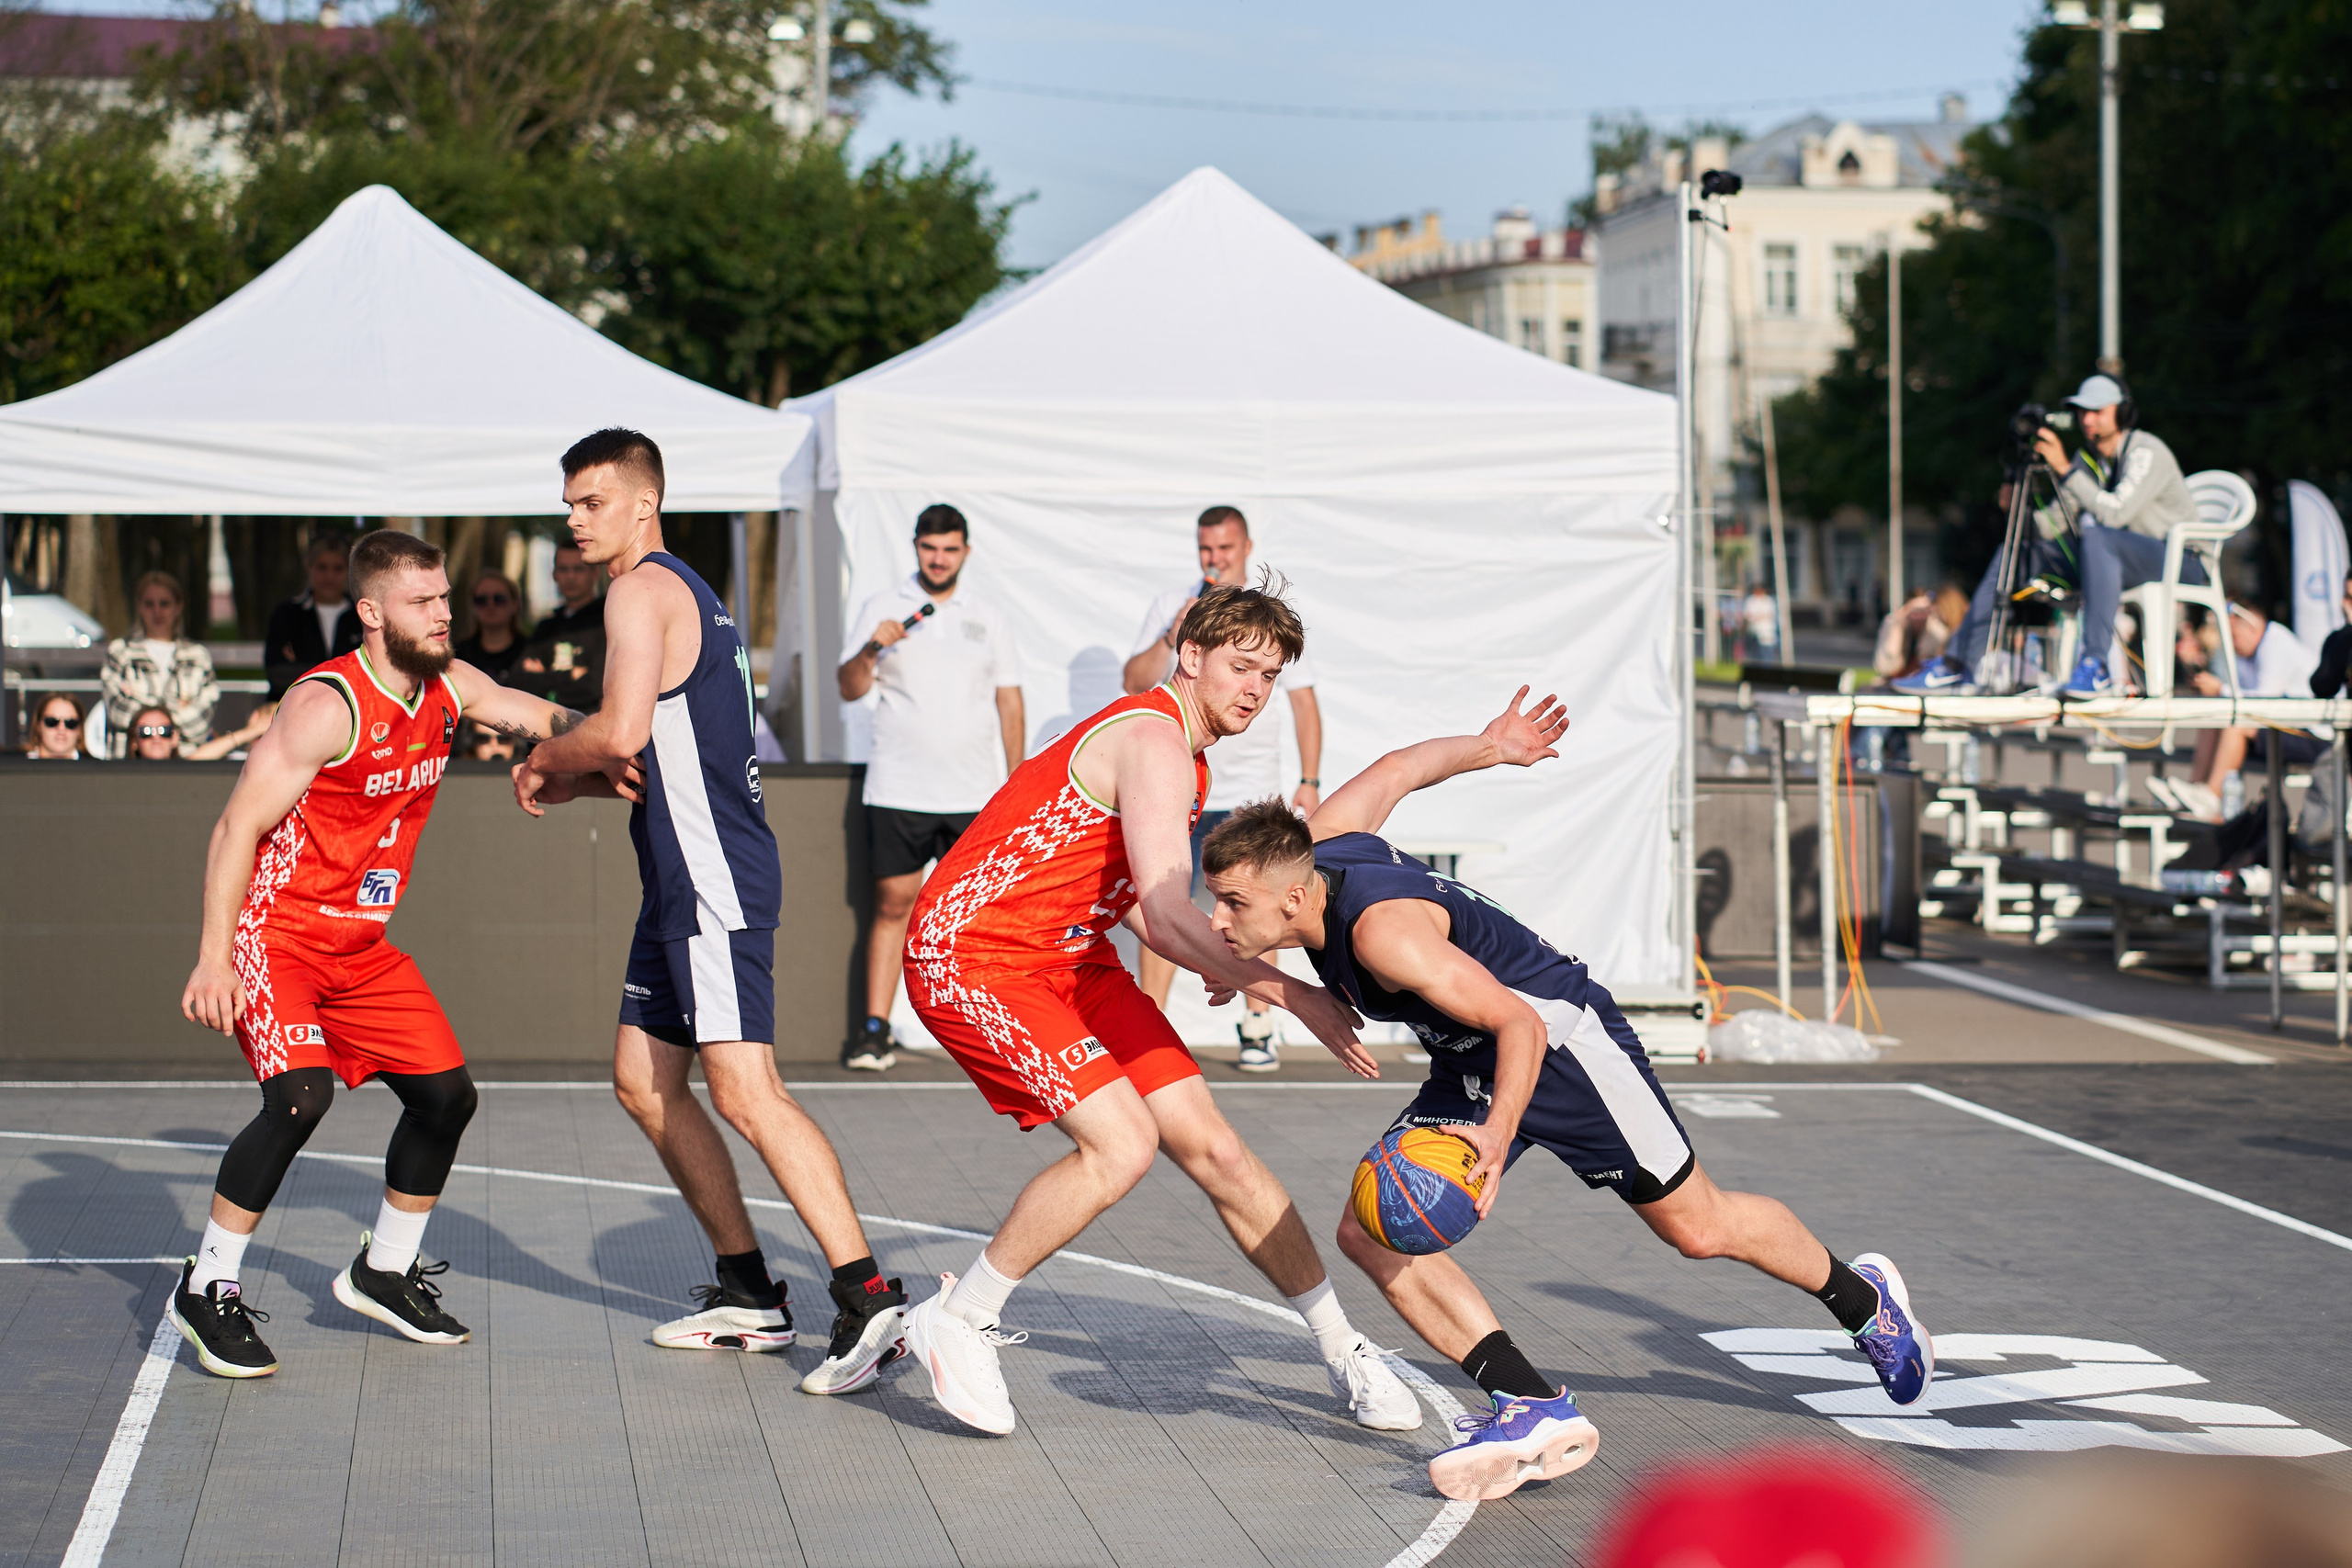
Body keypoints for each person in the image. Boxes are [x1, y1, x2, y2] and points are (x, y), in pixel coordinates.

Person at [1195, 688, 1933, 1501]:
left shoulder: (1384, 934)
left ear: (1296, 897)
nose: (1218, 916)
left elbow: (1521, 1025)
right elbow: (1400, 768)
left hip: (1564, 1046)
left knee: (1699, 1227)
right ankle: (1530, 1401)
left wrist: (1495, 1140)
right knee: (1371, 1228)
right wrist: (1491, 744)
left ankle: (1866, 1302)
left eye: (1233, 902)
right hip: (1473, 1053)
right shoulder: (1320, 841)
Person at [898, 579, 1418, 1438]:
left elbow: (1141, 897)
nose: (1254, 687)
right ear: (1190, 656)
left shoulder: (1184, 748)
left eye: (1270, 674)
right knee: (1124, 1143)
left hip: (1068, 957)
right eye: (1241, 666)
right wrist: (1289, 992)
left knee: (1217, 1149)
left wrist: (1222, 952)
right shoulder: (1154, 738)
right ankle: (961, 1316)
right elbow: (1171, 918)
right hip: (973, 953)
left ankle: (1343, 1349)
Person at [514, 429, 911, 1396]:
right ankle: (746, 1290)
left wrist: (545, 759)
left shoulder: (639, 591)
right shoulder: (686, 590)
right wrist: (590, 787)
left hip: (712, 877)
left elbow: (617, 731)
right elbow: (668, 756)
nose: (573, 522)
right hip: (686, 872)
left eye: (590, 503)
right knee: (643, 1082)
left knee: (746, 1090)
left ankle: (869, 1301)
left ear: (642, 502)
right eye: (567, 504)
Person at [174, 529, 596, 1379]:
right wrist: (215, 957)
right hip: (281, 935)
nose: (443, 615)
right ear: (371, 612)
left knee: (447, 1099)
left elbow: (536, 712)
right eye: (423, 603)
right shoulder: (327, 703)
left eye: (444, 599)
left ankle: (384, 1268)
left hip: (360, 946)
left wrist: (630, 741)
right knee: (299, 1099)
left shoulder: (447, 683)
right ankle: (208, 1281)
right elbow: (236, 827)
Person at [1123, 506, 1324, 1070]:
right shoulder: (1175, 607)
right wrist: (1176, 632)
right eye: (1206, 549)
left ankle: (1260, 1022)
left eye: (1226, 549)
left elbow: (1303, 703)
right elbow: (1133, 682)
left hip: (1251, 787)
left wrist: (1309, 779)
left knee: (1262, 900)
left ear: (1246, 546)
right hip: (1181, 779)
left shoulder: (1268, 617)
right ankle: (1151, 1022)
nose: (1215, 559)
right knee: (1163, 893)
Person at [836, 503, 1024, 1072]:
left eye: (949, 549)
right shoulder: (882, 607)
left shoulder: (987, 614)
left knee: (978, 918)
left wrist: (1017, 782)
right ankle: (875, 1030)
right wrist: (872, 647)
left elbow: (1009, 699)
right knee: (893, 906)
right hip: (898, 787)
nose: (939, 559)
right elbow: (848, 688)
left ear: (965, 551)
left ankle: (988, 1034)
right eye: (929, 548)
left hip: (973, 791)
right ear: (915, 547)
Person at [1894, 374, 2195, 698]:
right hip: (2112, 561)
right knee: (2017, 552)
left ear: (2123, 413)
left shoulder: (2145, 451)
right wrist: (2017, 512)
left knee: (2097, 537)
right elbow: (2051, 525)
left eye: (2098, 411)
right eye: (2082, 412)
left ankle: (2095, 666)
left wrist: (2065, 470)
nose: (2088, 419)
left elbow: (2115, 514)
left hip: (2180, 560)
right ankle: (1956, 665)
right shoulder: (2088, 462)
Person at [2159, 601, 2323, 821]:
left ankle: (2210, 795)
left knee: (2237, 724)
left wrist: (2220, 688)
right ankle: (2195, 789)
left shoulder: (2276, 645)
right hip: (2286, 727)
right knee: (2216, 715)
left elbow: (2263, 703)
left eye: (2234, 637)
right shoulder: (2254, 650)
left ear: (2252, 629)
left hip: (2314, 735)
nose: (2232, 645)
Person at [103, 571, 220, 757]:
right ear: (139, 607)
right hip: (127, 767)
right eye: (149, 604)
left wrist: (142, 708)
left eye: (164, 604)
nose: (157, 611)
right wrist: (178, 709)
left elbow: (202, 722)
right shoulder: (120, 652)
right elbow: (118, 711)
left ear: (178, 607)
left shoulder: (198, 655)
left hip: (185, 767)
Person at [510, 540, 607, 712]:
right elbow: (519, 681)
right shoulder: (547, 627)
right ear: (554, 574)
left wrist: (544, 677)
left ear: (595, 573)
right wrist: (573, 674)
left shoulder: (607, 621)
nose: (570, 577)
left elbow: (596, 687)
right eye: (563, 569)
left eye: (578, 569)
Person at [265, 534, 364, 699]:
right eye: (322, 567)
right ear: (309, 567)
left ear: (349, 571)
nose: (329, 576)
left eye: (338, 568)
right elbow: (277, 673)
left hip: (351, 708)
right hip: (296, 706)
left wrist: (306, 669)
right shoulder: (288, 614)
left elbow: (371, 672)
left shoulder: (362, 615)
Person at [455, 569, 529, 683]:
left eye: (499, 599)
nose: (490, 605)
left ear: (515, 604)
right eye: (481, 600)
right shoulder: (458, 656)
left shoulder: (531, 652)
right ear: (473, 606)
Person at [25, 693, 90, 759]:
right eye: (52, 721)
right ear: (38, 726)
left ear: (80, 729)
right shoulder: (15, 763)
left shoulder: (96, 767)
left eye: (70, 723)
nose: (61, 728)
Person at [1740, 583, 1780, 663]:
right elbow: (1747, 614)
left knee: (1767, 651)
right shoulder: (1751, 600)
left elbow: (1770, 614)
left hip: (1767, 630)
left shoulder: (1768, 601)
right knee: (1756, 652)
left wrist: (1758, 616)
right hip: (1754, 630)